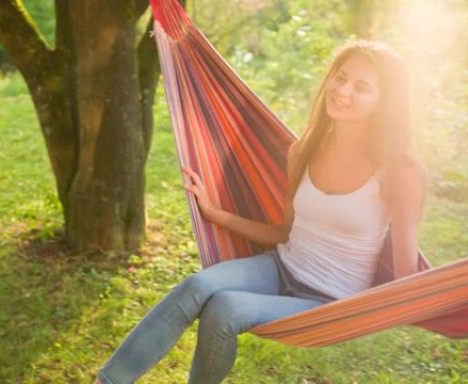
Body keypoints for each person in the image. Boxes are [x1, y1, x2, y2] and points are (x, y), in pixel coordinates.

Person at [96, 40, 426, 384]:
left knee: (224, 309)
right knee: (196, 285)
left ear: (384, 103)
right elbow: (284, 232)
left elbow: (406, 273)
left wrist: (446, 297)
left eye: (361, 87)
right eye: (340, 77)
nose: (342, 91)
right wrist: (216, 214)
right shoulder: (304, 150)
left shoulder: (399, 172)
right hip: (281, 267)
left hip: (331, 301)